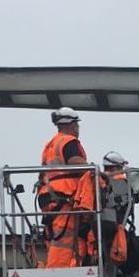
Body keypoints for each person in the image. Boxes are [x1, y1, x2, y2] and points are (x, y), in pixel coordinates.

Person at [35, 107, 96, 268]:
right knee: (64, 240)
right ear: (72, 124)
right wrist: (94, 169)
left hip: (48, 196)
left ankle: (63, 266)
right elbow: (75, 161)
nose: (78, 128)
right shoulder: (69, 141)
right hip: (63, 196)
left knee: (55, 237)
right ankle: (56, 272)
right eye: (77, 125)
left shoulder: (51, 144)